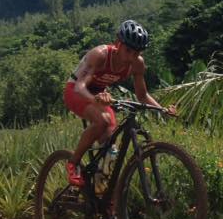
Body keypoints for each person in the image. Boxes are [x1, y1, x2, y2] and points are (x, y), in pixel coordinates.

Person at [63, 19, 171, 187]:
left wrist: (162, 110)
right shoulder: (100, 55)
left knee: (110, 144)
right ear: (117, 43)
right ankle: (73, 163)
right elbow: (80, 86)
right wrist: (96, 100)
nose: (131, 57)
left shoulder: (137, 64)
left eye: (136, 53)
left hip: (100, 95)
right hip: (76, 91)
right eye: (128, 50)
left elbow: (142, 96)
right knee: (102, 121)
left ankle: (101, 187)